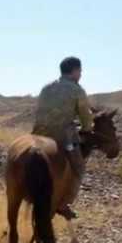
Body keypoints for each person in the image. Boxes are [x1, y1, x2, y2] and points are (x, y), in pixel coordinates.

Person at [32, 56, 93, 218]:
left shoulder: (46, 88)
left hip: (37, 135)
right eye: (80, 71)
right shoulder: (77, 90)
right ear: (74, 71)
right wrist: (87, 129)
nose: (81, 74)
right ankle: (63, 204)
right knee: (79, 167)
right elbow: (86, 118)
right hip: (63, 138)